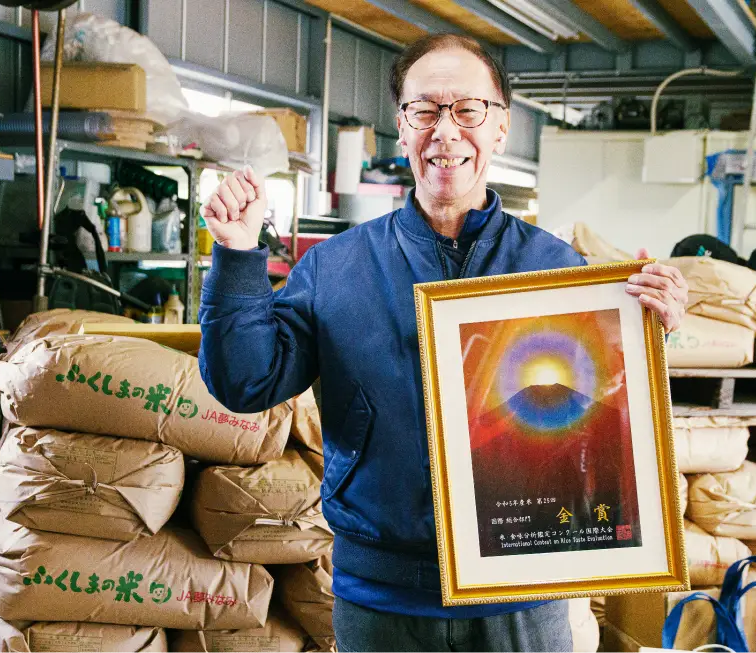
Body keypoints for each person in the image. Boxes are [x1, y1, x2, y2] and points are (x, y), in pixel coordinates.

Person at [199, 33, 689, 653]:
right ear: (402, 130)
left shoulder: (557, 270)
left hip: (522, 591)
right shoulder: (335, 267)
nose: (446, 131)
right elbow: (246, 383)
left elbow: (594, 417)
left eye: (467, 110)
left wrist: (642, 334)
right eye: (425, 110)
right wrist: (239, 256)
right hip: (380, 596)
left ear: (501, 127)